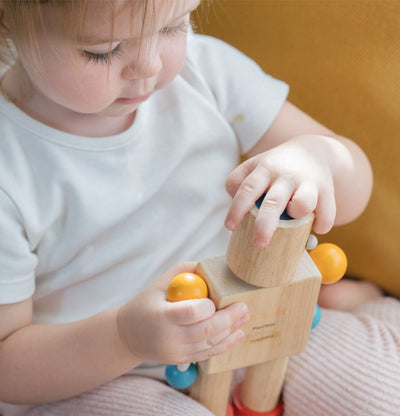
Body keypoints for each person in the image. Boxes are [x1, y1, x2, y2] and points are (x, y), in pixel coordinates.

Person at [0, 0, 379, 415]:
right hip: (103, 377)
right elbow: (8, 366)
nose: (149, 66)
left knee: (381, 393)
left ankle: (356, 309)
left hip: (260, 321)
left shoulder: (206, 71)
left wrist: (317, 157)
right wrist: (124, 338)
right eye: (103, 51)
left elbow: (353, 195)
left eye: (172, 27)